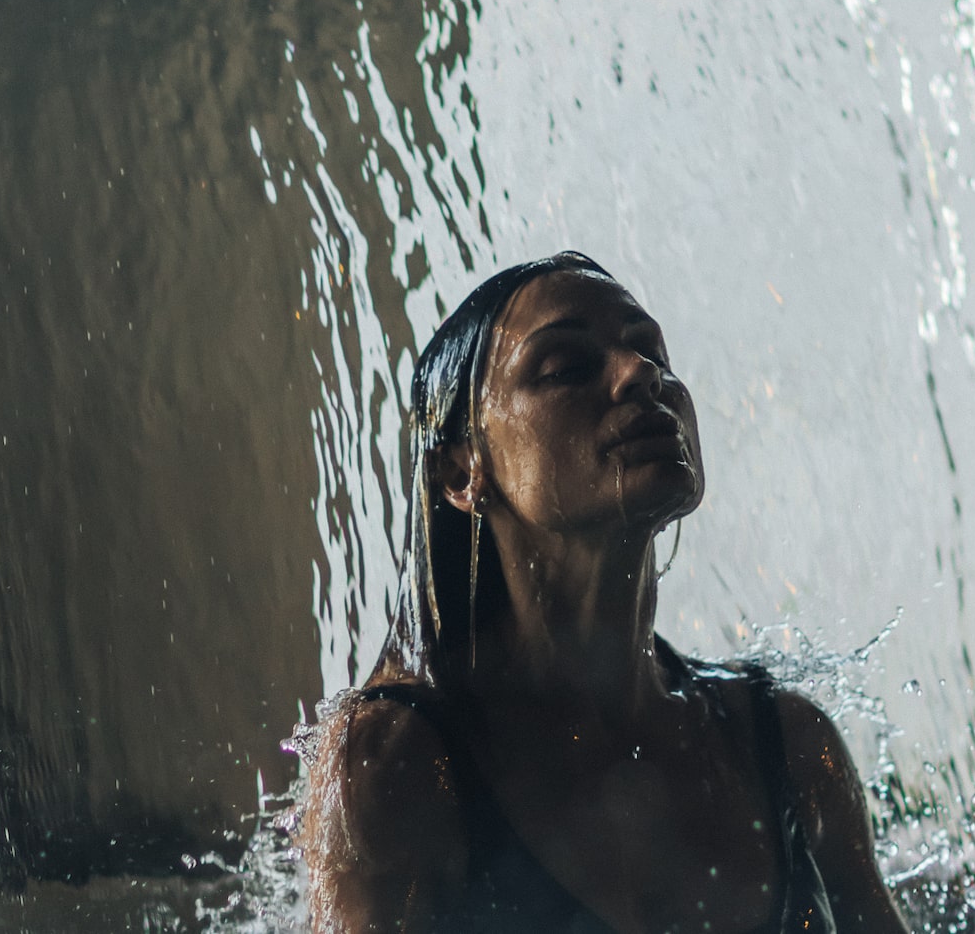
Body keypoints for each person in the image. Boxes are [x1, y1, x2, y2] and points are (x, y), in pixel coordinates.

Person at [297, 252, 910, 934]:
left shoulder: (786, 748)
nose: (641, 374)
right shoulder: (398, 763)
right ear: (462, 469)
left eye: (652, 352)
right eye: (565, 368)